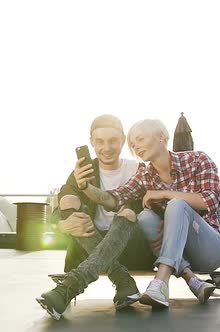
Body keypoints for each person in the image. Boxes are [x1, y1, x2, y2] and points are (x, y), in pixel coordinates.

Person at [78, 119, 220, 308]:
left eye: (140, 139)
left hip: (209, 249)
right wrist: (85, 188)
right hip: (180, 254)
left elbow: (210, 200)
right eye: (132, 144)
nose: (136, 147)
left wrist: (165, 194)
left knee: (176, 205)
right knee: (145, 218)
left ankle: (161, 282)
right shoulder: (144, 175)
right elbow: (114, 199)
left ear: (162, 137)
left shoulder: (198, 160)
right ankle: (192, 280)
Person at [36, 114, 154, 320]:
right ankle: (123, 280)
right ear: (91, 142)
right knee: (67, 201)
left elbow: (144, 210)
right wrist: (65, 225)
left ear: (123, 141)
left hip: (132, 249)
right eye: (99, 141)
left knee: (127, 212)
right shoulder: (82, 171)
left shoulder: (138, 170)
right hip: (90, 248)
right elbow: (57, 213)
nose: (106, 148)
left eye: (112, 141)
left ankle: (70, 288)